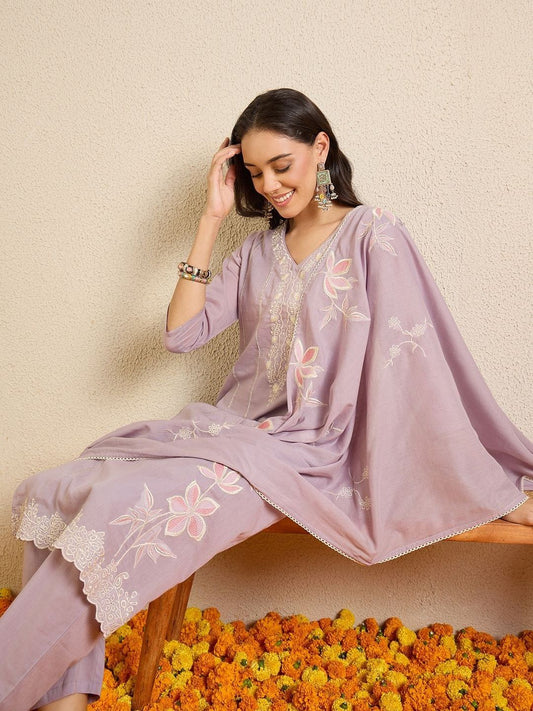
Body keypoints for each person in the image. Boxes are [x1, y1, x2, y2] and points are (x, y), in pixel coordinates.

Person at [1, 88, 532, 711]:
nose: (271, 186)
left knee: (127, 505)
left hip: (310, 454)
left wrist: (489, 482)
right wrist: (210, 220)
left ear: (320, 149)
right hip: (232, 436)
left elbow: (415, 362)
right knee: (57, 488)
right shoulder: (255, 252)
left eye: (282, 166)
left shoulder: (373, 234)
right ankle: (62, 702)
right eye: (255, 173)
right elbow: (181, 335)